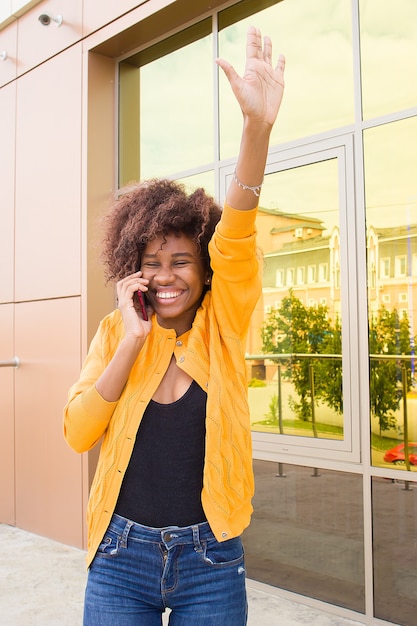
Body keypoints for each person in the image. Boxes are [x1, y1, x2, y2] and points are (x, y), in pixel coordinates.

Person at [64, 25, 285, 626]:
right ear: (130, 267)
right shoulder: (116, 333)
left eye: (181, 260)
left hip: (210, 560)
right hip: (119, 555)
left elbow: (237, 231)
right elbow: (79, 432)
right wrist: (131, 342)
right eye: (151, 263)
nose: (166, 276)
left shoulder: (225, 322)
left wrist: (256, 130)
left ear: (205, 268)